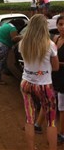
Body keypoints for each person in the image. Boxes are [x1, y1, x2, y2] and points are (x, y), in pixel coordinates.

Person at [19, 14, 59, 150]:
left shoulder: (23, 43)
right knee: (51, 122)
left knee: (29, 118)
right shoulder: (50, 45)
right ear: (44, 27)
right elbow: (56, 67)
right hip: (44, 86)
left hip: (26, 83)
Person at [33, 15, 64, 143]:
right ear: (56, 26)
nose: (63, 27)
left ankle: (61, 134)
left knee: (62, 108)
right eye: (60, 24)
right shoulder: (56, 39)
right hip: (53, 77)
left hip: (63, 79)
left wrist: (56, 63)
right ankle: (37, 125)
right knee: (46, 101)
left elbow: (54, 60)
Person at [0, 19, 25, 84]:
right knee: (0, 62)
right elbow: (14, 39)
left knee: (0, 62)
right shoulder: (13, 28)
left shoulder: (6, 25)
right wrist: (22, 37)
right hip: (2, 46)